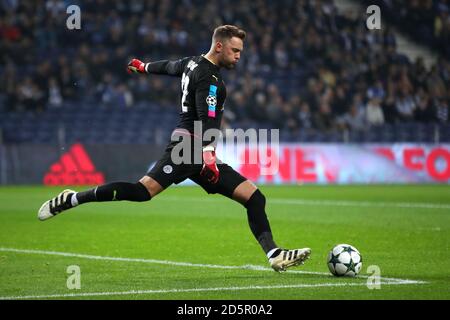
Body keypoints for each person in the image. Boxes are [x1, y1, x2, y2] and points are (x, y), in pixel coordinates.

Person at [38, 25, 311, 272]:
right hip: (188, 148)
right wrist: (209, 154)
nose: (239, 56)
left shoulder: (192, 63)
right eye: (235, 50)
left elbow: (169, 66)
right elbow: (208, 118)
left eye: (241, 51)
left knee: (254, 198)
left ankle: (274, 254)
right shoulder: (211, 80)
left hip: (190, 147)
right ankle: (72, 198)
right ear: (219, 46)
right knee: (143, 191)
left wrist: (143, 67)